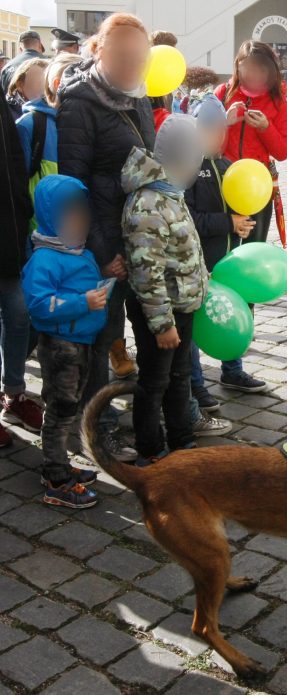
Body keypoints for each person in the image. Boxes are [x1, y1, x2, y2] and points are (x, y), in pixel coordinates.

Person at [58, 12, 154, 461]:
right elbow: (73, 185)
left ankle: (152, 417)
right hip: (106, 243)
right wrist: (101, 251)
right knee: (104, 338)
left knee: (151, 327)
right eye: (122, 54)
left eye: (140, 56)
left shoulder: (141, 97)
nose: (132, 63)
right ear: (99, 50)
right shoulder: (80, 101)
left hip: (142, 239)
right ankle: (101, 428)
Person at [121, 114, 208, 465]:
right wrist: (162, 324)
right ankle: (151, 448)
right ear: (178, 159)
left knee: (179, 376)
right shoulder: (148, 203)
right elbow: (147, 273)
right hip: (161, 314)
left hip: (181, 307)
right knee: (155, 381)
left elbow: (182, 248)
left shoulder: (171, 193)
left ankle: (181, 439)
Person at [21, 175, 106, 508]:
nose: (78, 219)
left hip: (81, 342)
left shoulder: (77, 250)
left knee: (68, 407)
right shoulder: (44, 258)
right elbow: (39, 304)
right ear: (50, 215)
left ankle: (55, 464)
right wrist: (83, 302)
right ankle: (56, 480)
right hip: (60, 346)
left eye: (80, 212)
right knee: (60, 410)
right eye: (69, 213)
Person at [184, 93, 258, 412]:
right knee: (195, 325)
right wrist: (229, 222)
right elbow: (189, 219)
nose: (217, 135)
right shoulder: (187, 169)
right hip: (199, 264)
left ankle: (232, 370)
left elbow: (243, 203)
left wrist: (242, 225)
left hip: (229, 263)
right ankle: (195, 384)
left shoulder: (230, 166)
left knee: (231, 312)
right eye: (209, 128)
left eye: (220, 129)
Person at [214, 40, 287, 245]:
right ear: (237, 65)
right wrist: (224, 123)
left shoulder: (278, 100)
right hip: (222, 182)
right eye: (247, 66)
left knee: (253, 248)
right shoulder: (222, 94)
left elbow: (283, 151)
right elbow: (203, 143)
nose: (253, 74)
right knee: (222, 248)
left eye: (260, 68)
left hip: (257, 186)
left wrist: (266, 128)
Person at [0, 99, 38, 447]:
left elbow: (14, 163)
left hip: (10, 234)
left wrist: (23, 211)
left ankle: (13, 393)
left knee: (19, 317)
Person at [17, 53, 83, 221]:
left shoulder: (87, 124)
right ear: (57, 85)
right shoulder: (30, 125)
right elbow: (16, 190)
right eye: (81, 84)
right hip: (39, 235)